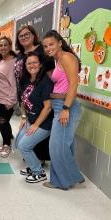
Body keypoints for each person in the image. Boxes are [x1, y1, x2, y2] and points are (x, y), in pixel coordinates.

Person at [42, 30, 85, 190]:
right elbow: (62, 83)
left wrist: (66, 108)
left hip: (67, 106)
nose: (48, 48)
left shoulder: (67, 57)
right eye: (45, 46)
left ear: (60, 42)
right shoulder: (57, 60)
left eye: (51, 44)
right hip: (59, 104)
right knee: (63, 144)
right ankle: (63, 179)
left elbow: (74, 84)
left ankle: (65, 180)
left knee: (56, 146)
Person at [14, 25, 55, 162]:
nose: (24, 37)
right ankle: (31, 155)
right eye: (21, 36)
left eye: (27, 34)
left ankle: (39, 160)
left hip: (40, 94)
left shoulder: (42, 51)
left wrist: (45, 89)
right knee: (19, 142)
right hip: (26, 92)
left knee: (38, 130)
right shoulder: (20, 54)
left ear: (33, 35)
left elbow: (50, 74)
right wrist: (24, 115)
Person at [15, 51, 54, 183]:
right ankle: (33, 166)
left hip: (43, 123)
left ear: (41, 64)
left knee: (24, 146)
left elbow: (48, 107)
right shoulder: (25, 80)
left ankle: (38, 172)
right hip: (31, 120)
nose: (32, 65)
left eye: (35, 62)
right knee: (18, 142)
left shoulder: (45, 82)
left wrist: (36, 125)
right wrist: (24, 117)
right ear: (25, 65)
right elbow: (23, 101)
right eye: (29, 63)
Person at [0, 36, 17, 158]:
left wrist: (11, 100)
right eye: (0, 45)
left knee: (3, 122)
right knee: (2, 122)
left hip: (5, 99)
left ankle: (7, 145)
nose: (3, 47)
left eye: (5, 45)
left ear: (10, 46)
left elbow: (13, 83)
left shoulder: (13, 62)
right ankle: (5, 142)